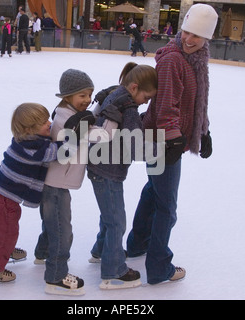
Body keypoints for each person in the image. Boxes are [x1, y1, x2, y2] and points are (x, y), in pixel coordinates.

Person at [126, 3, 217, 285]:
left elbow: (195, 101)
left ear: (207, 39)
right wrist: (173, 138)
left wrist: (203, 130)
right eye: (187, 32)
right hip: (162, 140)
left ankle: (137, 244)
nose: (189, 40)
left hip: (169, 138)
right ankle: (158, 267)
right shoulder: (173, 60)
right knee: (167, 206)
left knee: (154, 193)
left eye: (197, 36)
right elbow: (167, 106)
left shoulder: (197, 59)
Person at [34, 69, 118, 295]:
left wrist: (99, 105)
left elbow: (86, 119)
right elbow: (102, 134)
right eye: (82, 95)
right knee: (62, 231)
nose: (87, 100)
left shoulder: (65, 113)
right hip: (56, 185)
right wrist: (113, 114)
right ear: (67, 96)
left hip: (52, 182)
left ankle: (42, 253)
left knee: (51, 223)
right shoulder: (68, 121)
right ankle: (56, 277)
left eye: (90, 95)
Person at [87, 62, 158, 290]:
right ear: (135, 87)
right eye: (146, 97)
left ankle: (101, 251)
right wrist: (162, 148)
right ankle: (113, 271)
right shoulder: (127, 108)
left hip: (100, 168)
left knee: (110, 216)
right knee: (117, 221)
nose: (145, 102)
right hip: (108, 171)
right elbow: (136, 147)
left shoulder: (115, 93)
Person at [0, 103, 65, 282]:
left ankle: (6, 249)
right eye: (44, 122)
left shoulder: (26, 140)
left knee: (5, 230)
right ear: (29, 129)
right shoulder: (31, 148)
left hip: (0, 193)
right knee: (4, 232)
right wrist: (72, 141)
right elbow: (56, 153)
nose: (49, 123)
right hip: (4, 198)